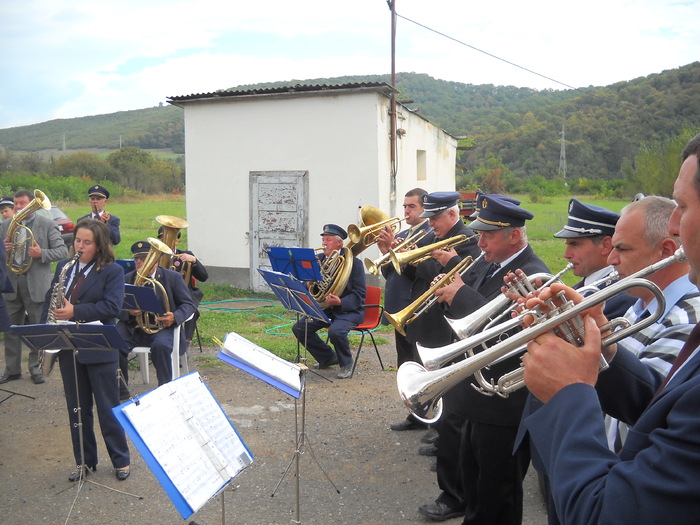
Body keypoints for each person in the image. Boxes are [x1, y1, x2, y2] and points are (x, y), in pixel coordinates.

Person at [519, 133, 700, 523]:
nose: (672, 224)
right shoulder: (637, 306)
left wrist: (569, 393)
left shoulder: (685, 315)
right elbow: (657, 408)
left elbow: (604, 514)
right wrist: (600, 344)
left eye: (682, 207)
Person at [415, 194, 549, 524]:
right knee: (475, 485)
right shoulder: (490, 264)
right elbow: (469, 321)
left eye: (488, 235)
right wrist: (449, 294)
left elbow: (507, 337)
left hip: (504, 407)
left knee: (497, 495)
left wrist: (460, 294)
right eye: (480, 233)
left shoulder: (533, 275)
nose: (480, 241)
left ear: (514, 236)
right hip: (477, 399)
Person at [41, 219, 130, 481]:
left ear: (99, 244)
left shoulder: (112, 271)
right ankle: (84, 461)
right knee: (77, 408)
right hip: (68, 345)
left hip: (99, 345)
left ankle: (121, 460)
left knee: (107, 407)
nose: (79, 246)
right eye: (77, 240)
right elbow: (51, 296)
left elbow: (112, 307)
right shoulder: (64, 266)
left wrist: (74, 311)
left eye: (86, 242)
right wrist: (52, 314)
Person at [0, 189, 68, 385]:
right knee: (11, 328)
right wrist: (2, 251)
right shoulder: (4, 226)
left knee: (37, 328)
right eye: (16, 204)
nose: (19, 207)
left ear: (32, 205)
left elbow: (62, 250)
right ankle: (12, 370)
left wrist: (41, 253)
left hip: (37, 284)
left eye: (23, 204)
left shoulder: (46, 224)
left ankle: (36, 369)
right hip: (11, 283)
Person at [116, 240, 196, 390]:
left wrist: (174, 317)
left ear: (156, 262)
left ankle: (165, 389)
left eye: (144, 260)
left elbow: (188, 305)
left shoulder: (171, 277)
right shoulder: (128, 279)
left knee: (161, 346)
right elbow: (115, 306)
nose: (140, 264)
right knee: (114, 343)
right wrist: (128, 311)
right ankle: (121, 390)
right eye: (137, 260)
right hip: (134, 327)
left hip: (163, 328)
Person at [291, 224, 366, 379]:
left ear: (339, 243)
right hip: (325, 308)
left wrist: (340, 302)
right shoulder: (318, 260)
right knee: (300, 328)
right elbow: (307, 284)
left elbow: (360, 295)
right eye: (323, 239)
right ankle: (328, 357)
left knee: (335, 331)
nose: (324, 243)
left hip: (348, 310)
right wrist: (308, 284)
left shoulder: (354, 263)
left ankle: (346, 363)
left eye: (329, 240)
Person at [377, 188, 432, 368]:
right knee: (403, 356)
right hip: (397, 304)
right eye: (405, 206)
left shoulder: (429, 235)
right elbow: (389, 274)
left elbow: (419, 273)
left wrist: (404, 255)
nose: (406, 211)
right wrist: (386, 253)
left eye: (412, 206)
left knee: (416, 356)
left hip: (413, 303)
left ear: (424, 209)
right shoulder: (400, 236)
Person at [553, 198, 635, 319]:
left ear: (605, 245)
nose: (566, 254)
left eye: (575, 244)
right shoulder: (582, 286)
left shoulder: (619, 298)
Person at [157, 225, 209, 345]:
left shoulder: (185, 255)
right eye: (162, 238)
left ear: (176, 240)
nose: (166, 241)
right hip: (162, 296)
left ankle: (185, 344)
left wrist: (194, 261)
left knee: (192, 311)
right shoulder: (156, 257)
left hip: (184, 295)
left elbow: (204, 277)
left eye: (170, 238)